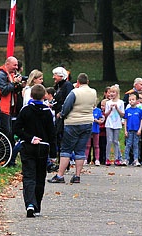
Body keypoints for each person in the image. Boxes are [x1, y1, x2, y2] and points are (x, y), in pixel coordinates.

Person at [14, 84, 57, 217]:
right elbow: (52, 133)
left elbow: (16, 128)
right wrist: (54, 154)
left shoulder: (26, 110)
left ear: (31, 95)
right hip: (43, 147)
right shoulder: (48, 112)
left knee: (29, 176)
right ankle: (37, 205)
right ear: (44, 96)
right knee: (40, 177)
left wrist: (29, 137)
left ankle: (30, 204)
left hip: (28, 146)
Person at [48, 73, 96, 184]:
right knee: (80, 150)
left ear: (78, 82)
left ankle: (60, 175)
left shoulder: (74, 92)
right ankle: (77, 175)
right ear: (87, 82)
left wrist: (61, 114)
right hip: (87, 122)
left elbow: (67, 106)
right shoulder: (93, 92)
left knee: (66, 149)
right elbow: (93, 105)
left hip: (73, 122)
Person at [102, 84, 125, 166]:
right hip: (109, 124)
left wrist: (117, 108)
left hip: (117, 124)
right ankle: (107, 158)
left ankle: (116, 158)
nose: (112, 94)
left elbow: (122, 114)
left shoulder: (121, 102)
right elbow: (105, 114)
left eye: (113, 92)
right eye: (111, 92)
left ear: (117, 93)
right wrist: (110, 109)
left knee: (115, 141)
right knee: (109, 141)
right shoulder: (108, 103)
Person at [123, 92, 142, 166]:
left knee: (136, 145)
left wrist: (140, 130)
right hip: (129, 130)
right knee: (128, 144)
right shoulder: (127, 111)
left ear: (137, 101)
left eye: (133, 99)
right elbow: (125, 120)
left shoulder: (139, 111)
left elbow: (141, 120)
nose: (131, 101)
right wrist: (125, 130)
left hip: (136, 130)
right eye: (130, 100)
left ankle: (136, 159)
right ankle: (126, 159)